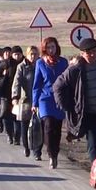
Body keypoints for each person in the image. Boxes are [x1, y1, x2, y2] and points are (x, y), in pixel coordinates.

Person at [53, 37, 96, 165]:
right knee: (94, 146)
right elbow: (57, 86)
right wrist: (67, 107)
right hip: (90, 115)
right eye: (88, 53)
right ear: (82, 54)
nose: (92, 55)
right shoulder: (76, 69)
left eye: (94, 51)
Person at [32, 37, 68, 169]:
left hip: (59, 99)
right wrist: (34, 103)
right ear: (44, 49)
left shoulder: (63, 62)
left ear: (56, 47)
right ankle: (50, 154)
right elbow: (37, 85)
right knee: (48, 125)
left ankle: (55, 154)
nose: (51, 50)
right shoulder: (40, 63)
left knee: (57, 129)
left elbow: (67, 82)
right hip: (45, 99)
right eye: (48, 48)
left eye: (53, 47)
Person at [12, 45, 41, 158]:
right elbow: (17, 82)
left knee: (38, 127)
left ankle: (37, 151)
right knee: (24, 125)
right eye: (31, 54)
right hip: (25, 100)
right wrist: (15, 97)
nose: (33, 56)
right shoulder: (22, 67)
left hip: (38, 100)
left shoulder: (41, 65)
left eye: (35, 54)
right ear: (27, 55)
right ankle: (26, 147)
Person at [0, 46, 23, 145]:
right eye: (15, 54)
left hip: (19, 95)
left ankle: (17, 137)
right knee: (6, 115)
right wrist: (2, 75)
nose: (17, 56)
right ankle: (9, 134)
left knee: (17, 117)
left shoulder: (24, 64)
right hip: (6, 94)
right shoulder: (6, 63)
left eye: (19, 54)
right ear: (12, 55)